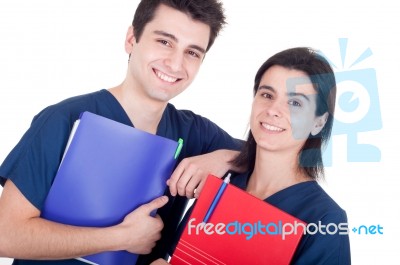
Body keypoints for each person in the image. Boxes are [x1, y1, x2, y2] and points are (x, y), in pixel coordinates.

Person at [0, 0, 242, 264]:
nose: (175, 63)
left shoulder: (195, 133)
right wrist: (120, 237)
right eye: (164, 42)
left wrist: (225, 158)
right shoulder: (65, 119)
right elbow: (6, 236)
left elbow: (279, 154)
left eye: (192, 53)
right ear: (131, 39)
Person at [154, 47, 351, 264]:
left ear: (318, 122)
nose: (273, 109)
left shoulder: (324, 218)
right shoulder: (222, 185)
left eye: (295, 103)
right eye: (267, 95)